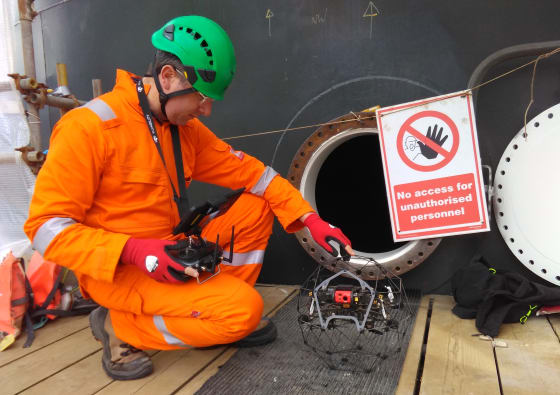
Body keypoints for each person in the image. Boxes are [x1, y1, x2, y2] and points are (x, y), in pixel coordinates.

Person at [24, 15, 353, 380]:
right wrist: (134, 251)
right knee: (244, 311)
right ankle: (122, 326)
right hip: (119, 270)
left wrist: (310, 219)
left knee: (257, 205)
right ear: (167, 78)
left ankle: (210, 310)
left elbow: (258, 176)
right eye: (201, 97)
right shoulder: (89, 128)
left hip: (169, 252)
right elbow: (45, 228)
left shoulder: (184, 131)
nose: (207, 109)